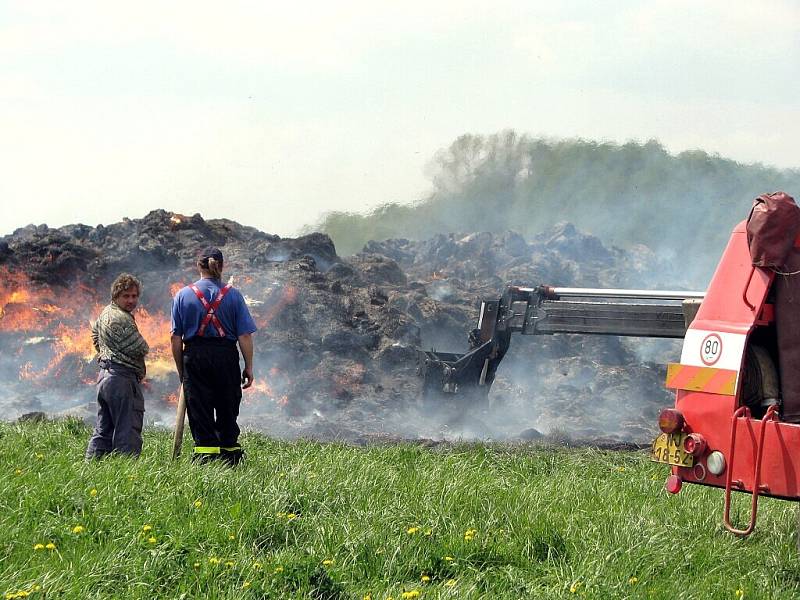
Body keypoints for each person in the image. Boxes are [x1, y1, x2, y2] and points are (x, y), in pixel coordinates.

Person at [170, 247, 256, 465]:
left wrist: (183, 371)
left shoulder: (183, 295)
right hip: (226, 357)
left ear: (198, 265)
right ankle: (230, 459)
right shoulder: (234, 296)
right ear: (222, 266)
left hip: (194, 357)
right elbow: (244, 335)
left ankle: (205, 460)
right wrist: (248, 366)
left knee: (200, 411)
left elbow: (175, 339)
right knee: (227, 407)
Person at [86, 273, 149, 458]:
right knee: (127, 431)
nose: (131, 300)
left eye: (134, 296)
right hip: (121, 379)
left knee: (103, 430)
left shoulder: (105, 312)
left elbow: (95, 336)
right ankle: (125, 471)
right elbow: (141, 347)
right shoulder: (120, 318)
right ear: (116, 296)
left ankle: (92, 466)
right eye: (126, 296)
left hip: (105, 377)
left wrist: (108, 351)